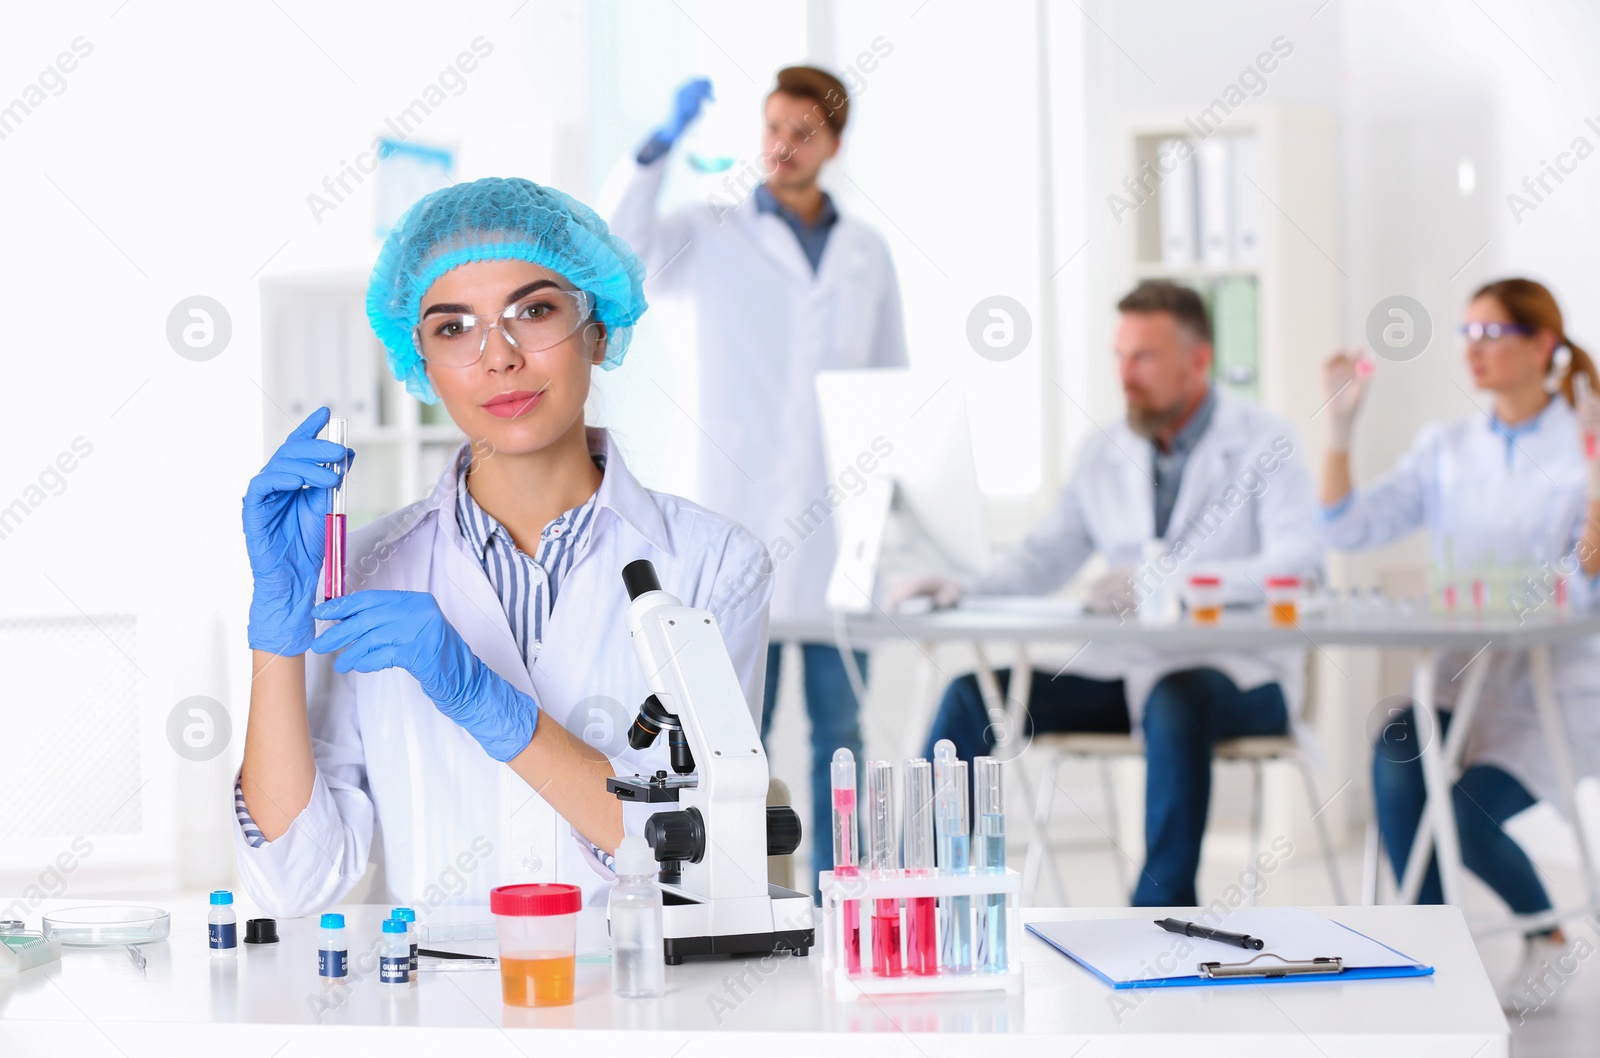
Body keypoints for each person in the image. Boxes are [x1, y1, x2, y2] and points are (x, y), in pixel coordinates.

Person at [234, 177, 772, 917]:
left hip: (641, 1010)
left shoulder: (716, 567)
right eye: (454, 328)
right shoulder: (358, 573)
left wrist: (489, 703)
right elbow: (292, 886)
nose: (500, 357)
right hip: (438, 1016)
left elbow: (707, 859)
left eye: (535, 310)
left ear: (600, 329)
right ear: (418, 361)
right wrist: (276, 640)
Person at [891, 280, 1323, 907]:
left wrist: (1172, 582)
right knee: (970, 700)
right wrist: (963, 586)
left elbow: (1299, 562)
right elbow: (1045, 555)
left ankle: (1158, 918)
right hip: (1125, 674)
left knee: (1176, 701)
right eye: (1119, 356)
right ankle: (918, 898)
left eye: (1143, 357)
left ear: (1197, 360)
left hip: (1243, 679)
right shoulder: (1104, 451)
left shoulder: (1265, 443)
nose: (1126, 374)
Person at [604, 67, 908, 888]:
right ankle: (740, 891)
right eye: (772, 127)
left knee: (842, 732)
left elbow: (888, 391)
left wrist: (895, 521)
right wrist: (656, 147)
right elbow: (618, 250)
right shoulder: (711, 231)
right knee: (735, 731)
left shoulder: (867, 255)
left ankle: (839, 895)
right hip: (730, 514)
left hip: (839, 530)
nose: (782, 145)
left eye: (803, 132)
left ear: (834, 145)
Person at [1319, 277, 1600, 1008]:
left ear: (1542, 344)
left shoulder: (1584, 443)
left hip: (1552, 683)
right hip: (1453, 673)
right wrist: (1338, 431)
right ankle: (1431, 962)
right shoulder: (1446, 446)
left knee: (1467, 816)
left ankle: (1546, 935)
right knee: (1399, 760)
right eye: (1465, 335)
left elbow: (1588, 583)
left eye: (1491, 335)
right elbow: (1350, 528)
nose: (1473, 351)